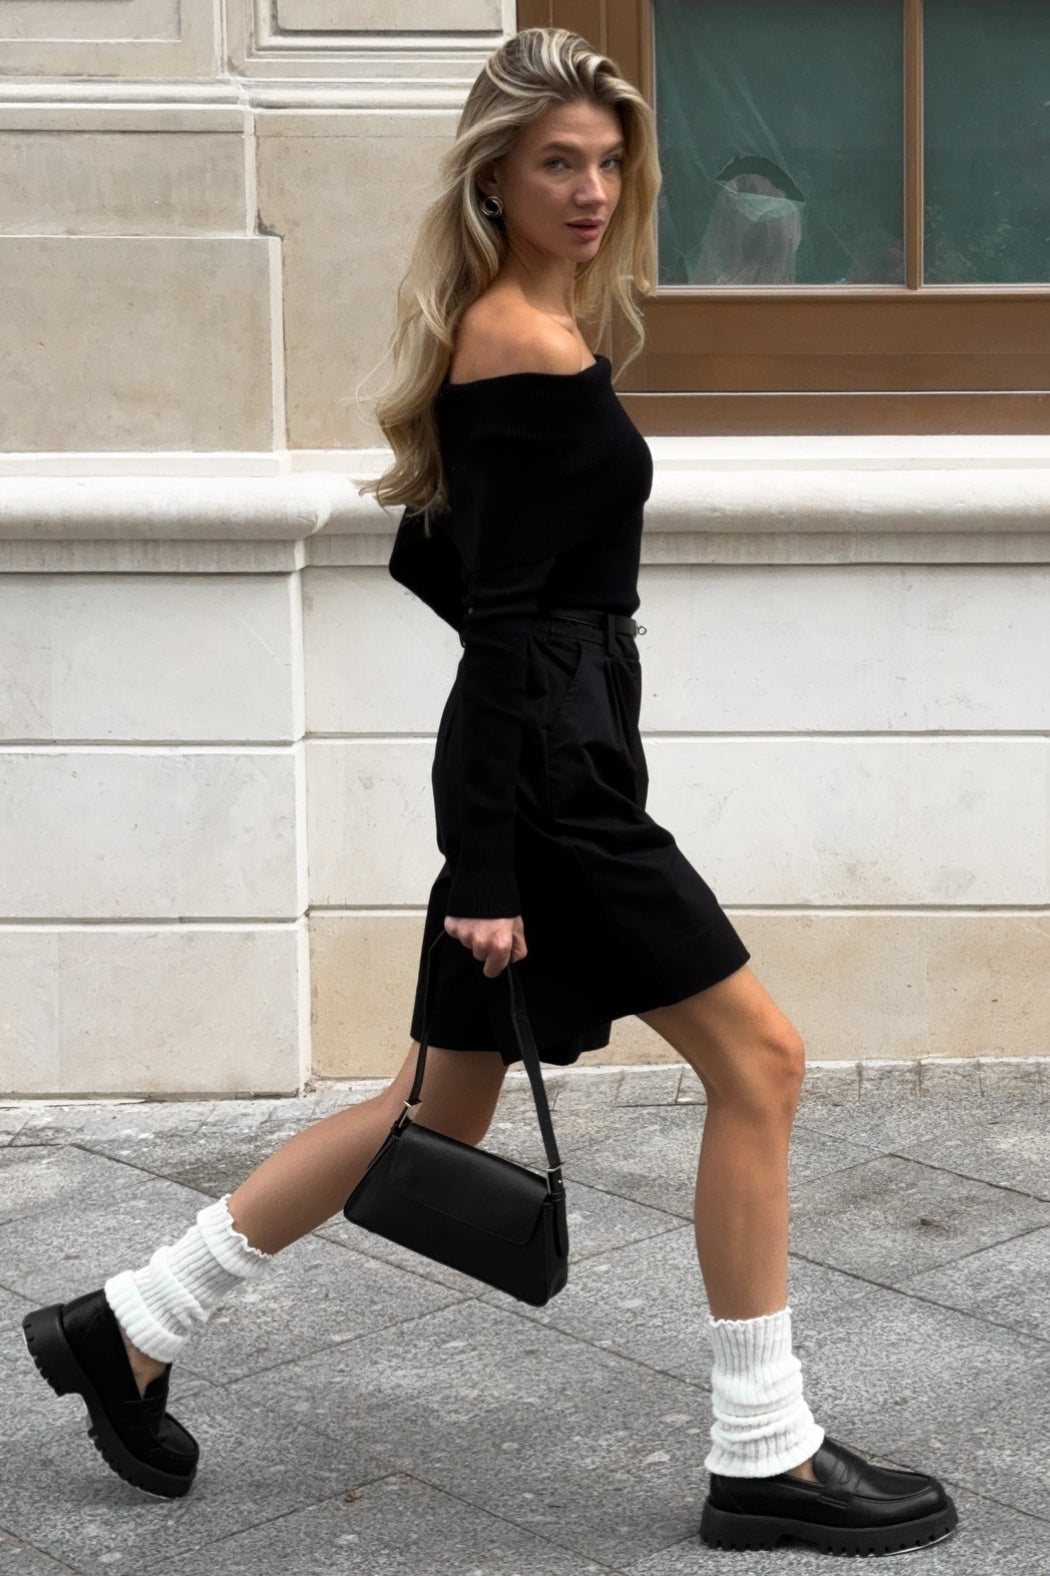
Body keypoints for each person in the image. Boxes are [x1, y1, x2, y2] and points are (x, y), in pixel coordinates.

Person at [22, 26, 957, 1558]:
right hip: (552, 793)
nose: (589, 189)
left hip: (551, 767)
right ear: (492, 180)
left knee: (432, 1109)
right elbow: (504, 632)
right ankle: (762, 1451)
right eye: (554, 163)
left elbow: (441, 561)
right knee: (763, 1063)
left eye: (608, 162)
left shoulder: (519, 326)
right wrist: (490, 869)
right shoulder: (520, 342)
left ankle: (130, 1321)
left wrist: (537, 750)